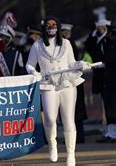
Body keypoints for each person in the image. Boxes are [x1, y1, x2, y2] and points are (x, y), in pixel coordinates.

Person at [26, 16, 91, 166]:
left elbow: (72, 63)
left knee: (68, 119)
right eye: (48, 25)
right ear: (44, 28)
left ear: (58, 27)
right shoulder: (37, 45)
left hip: (66, 83)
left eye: (54, 24)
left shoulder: (66, 43)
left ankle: (70, 154)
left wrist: (82, 64)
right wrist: (33, 72)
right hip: (48, 84)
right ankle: (52, 144)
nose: (51, 27)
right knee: (49, 117)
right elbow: (30, 64)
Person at [61, 23, 88, 143]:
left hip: (73, 80)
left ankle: (79, 136)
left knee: (76, 111)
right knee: (68, 111)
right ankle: (73, 137)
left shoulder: (69, 44)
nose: (66, 34)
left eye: (68, 32)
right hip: (66, 80)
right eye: (64, 32)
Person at [101, 25, 116, 142]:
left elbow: (110, 60)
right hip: (109, 81)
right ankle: (111, 133)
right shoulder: (108, 45)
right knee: (109, 107)